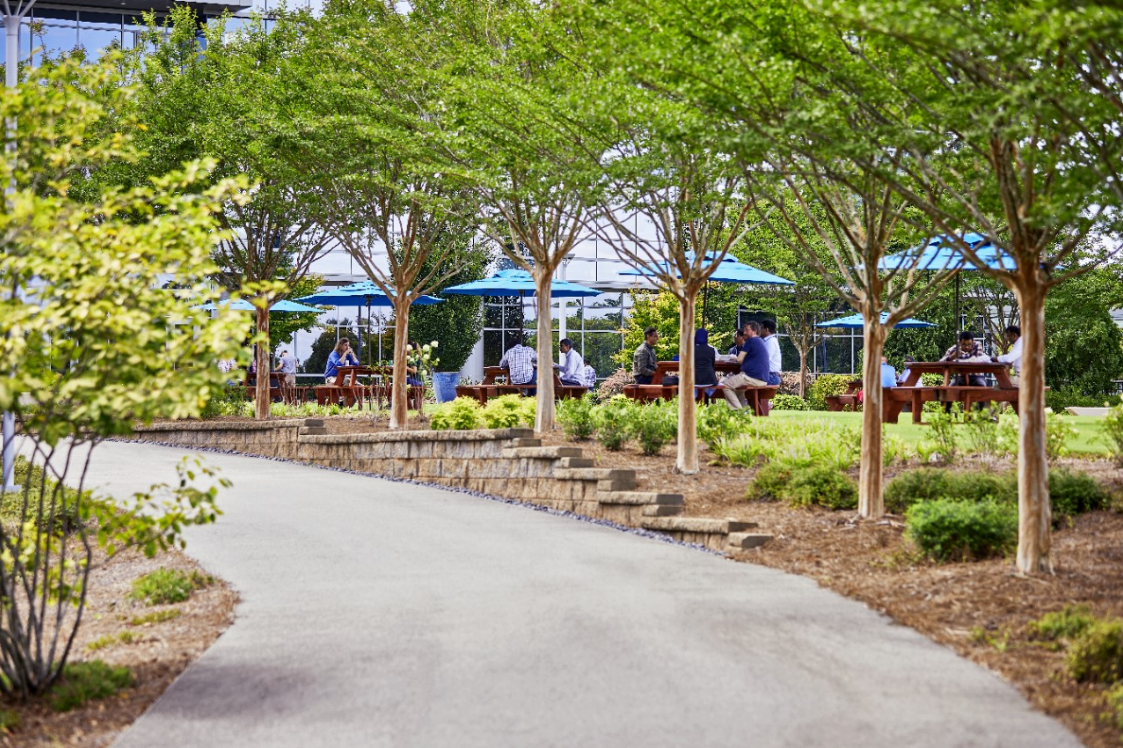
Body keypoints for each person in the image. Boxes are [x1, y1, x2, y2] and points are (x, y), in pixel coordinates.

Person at [723, 321, 769, 410]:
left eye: (747, 330)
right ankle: (745, 411)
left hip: (751, 377)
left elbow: (739, 359)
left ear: (754, 331)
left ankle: (738, 412)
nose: (744, 333)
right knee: (738, 391)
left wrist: (733, 358)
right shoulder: (760, 341)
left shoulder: (751, 341)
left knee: (726, 386)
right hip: (762, 378)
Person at [694, 328, 719, 402]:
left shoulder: (691, 350)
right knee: (706, 388)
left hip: (694, 380)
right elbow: (712, 365)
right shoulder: (711, 350)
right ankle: (706, 403)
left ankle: (697, 406)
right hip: (709, 380)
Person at [760, 319, 782, 387]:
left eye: (761, 328)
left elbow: (764, 360)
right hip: (770, 376)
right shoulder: (767, 341)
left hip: (771, 376)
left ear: (766, 329)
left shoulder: (770, 342)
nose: (760, 330)